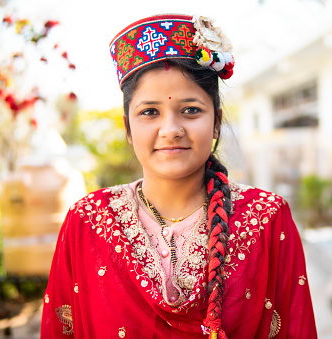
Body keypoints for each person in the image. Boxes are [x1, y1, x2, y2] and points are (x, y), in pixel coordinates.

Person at [41, 14, 317, 338]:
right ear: (128, 128)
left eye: (190, 110)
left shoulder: (267, 219)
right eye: (149, 112)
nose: (171, 130)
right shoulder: (87, 222)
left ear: (216, 121)